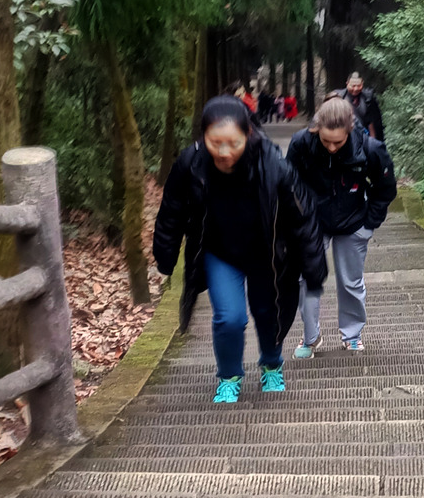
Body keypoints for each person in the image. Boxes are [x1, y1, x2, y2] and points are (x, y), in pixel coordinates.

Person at [151, 94, 325, 404]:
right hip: (220, 253)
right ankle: (229, 375)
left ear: (248, 134)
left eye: (233, 143)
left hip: (265, 253)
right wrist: (166, 253)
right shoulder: (191, 163)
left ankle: (272, 364)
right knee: (229, 317)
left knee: (267, 311)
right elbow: (172, 210)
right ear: (203, 136)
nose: (224, 152)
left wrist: (314, 266)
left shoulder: (273, 165)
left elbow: (302, 216)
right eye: (215, 142)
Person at [285, 95, 396, 355]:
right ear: (316, 130)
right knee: (305, 279)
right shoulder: (301, 144)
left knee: (350, 282)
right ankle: (310, 337)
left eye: (338, 141)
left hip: (354, 221)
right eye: (326, 141)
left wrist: (369, 223)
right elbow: (287, 182)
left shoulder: (370, 148)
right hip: (313, 222)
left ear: (349, 130)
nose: (332, 148)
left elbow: (385, 188)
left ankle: (352, 333)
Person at [344, 70, 384, 143]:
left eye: (359, 86)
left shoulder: (368, 98)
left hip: (364, 137)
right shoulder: (340, 97)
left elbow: (372, 121)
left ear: (362, 84)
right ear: (347, 84)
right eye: (353, 86)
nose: (356, 89)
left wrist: (373, 142)